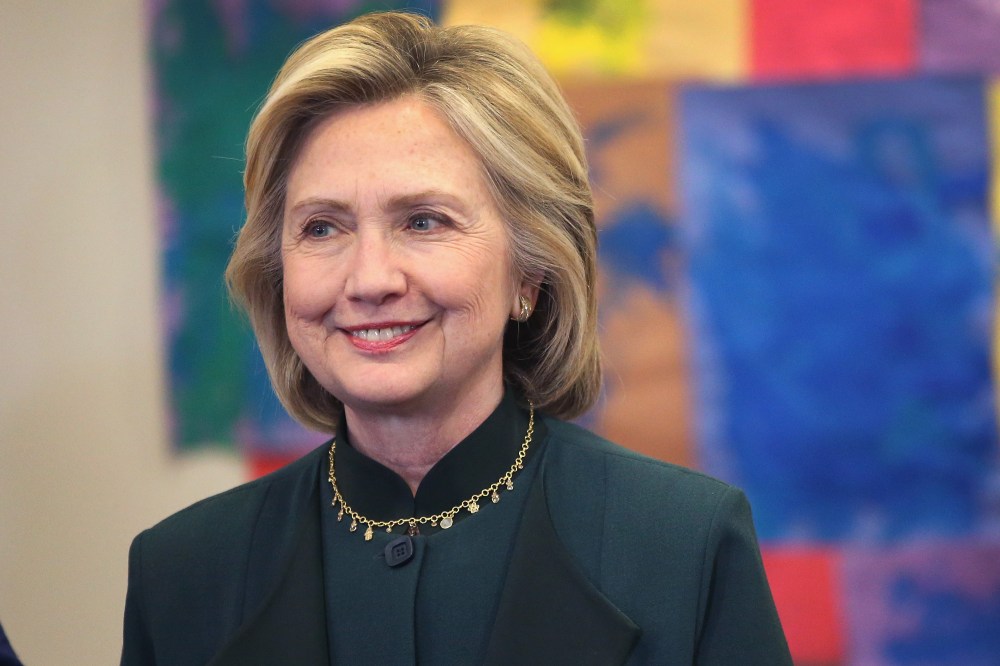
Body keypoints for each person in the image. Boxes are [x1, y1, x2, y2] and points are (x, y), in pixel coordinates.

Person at [121, 11, 791, 665]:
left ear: (530, 270)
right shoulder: (180, 574)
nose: (370, 279)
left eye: (423, 221)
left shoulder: (687, 546)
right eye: (322, 228)